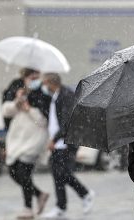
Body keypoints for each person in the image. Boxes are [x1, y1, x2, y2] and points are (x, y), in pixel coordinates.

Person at [40, 73, 95, 219]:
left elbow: (66, 121)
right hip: (58, 143)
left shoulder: (66, 95)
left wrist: (54, 139)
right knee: (57, 174)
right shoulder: (56, 95)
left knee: (63, 173)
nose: (43, 86)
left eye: (44, 83)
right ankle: (61, 207)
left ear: (51, 82)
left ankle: (85, 194)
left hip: (65, 142)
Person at [2, 68, 51, 219]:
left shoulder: (43, 94)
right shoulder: (17, 89)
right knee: (12, 171)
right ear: (25, 78)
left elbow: (43, 121)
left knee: (24, 172)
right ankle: (39, 194)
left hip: (34, 140)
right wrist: (17, 101)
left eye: (37, 77)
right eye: (31, 77)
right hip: (17, 139)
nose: (34, 79)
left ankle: (28, 208)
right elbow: (6, 112)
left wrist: (29, 109)